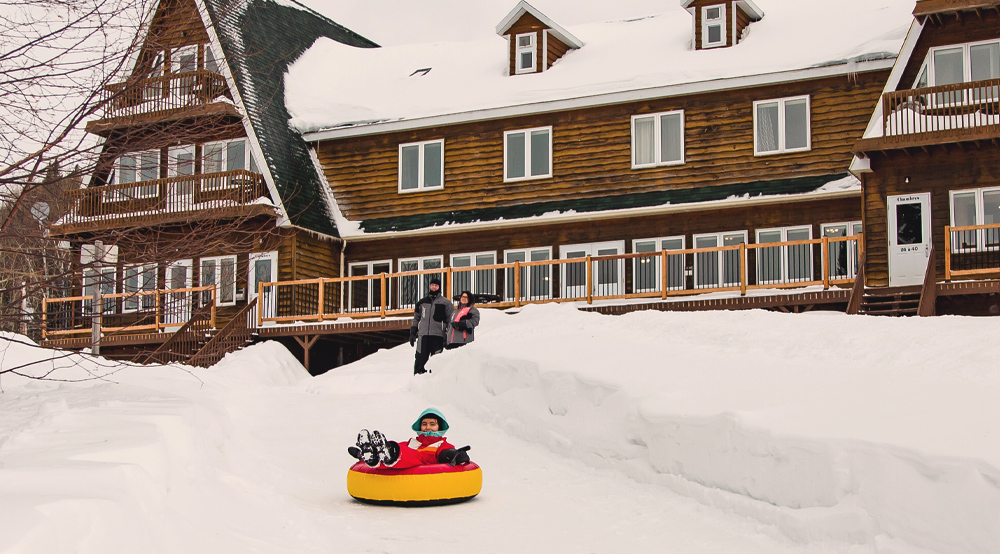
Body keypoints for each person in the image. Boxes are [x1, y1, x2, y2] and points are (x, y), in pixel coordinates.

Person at [348, 408, 470, 469]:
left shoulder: (441, 444)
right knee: (399, 448)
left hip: (422, 469)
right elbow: (401, 448)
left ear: (439, 427)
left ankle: (389, 454)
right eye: (424, 424)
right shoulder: (412, 442)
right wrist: (360, 456)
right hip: (403, 464)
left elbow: (446, 453)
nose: (427, 427)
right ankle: (371, 454)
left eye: (432, 424)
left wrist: (455, 455)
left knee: (413, 455)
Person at [409, 277, 453, 375]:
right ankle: (417, 380)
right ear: (429, 286)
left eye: (436, 285)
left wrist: (448, 336)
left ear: (439, 287)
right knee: (420, 358)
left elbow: (450, 320)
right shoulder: (422, 302)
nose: (434, 287)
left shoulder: (446, 303)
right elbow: (416, 318)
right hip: (423, 335)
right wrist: (412, 332)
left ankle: (435, 382)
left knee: (436, 361)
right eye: (432, 285)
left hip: (437, 335)